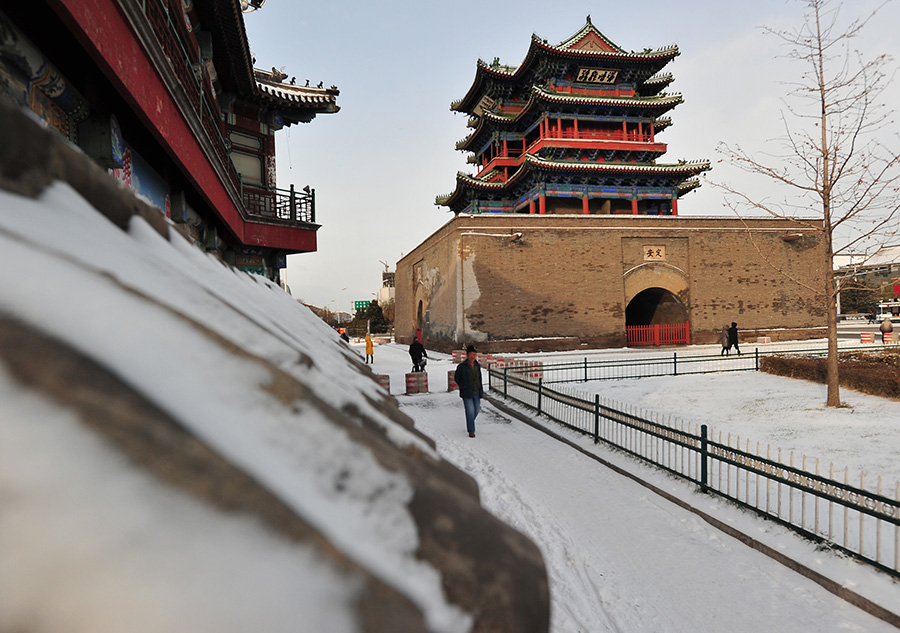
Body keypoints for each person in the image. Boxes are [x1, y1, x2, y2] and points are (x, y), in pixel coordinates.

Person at [454, 345, 484, 438]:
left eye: (474, 354)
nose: (472, 356)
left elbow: (479, 378)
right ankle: (471, 430)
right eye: (471, 354)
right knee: (470, 411)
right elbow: (456, 378)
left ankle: (470, 422)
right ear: (467, 355)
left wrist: (480, 390)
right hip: (467, 392)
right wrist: (463, 387)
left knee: (477, 409)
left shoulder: (477, 365)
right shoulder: (462, 366)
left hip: (476, 391)